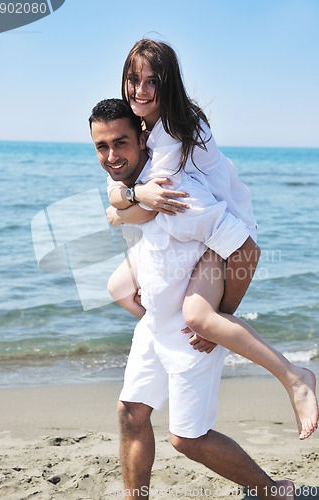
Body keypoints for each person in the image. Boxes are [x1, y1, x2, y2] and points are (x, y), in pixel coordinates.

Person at [106, 38, 318, 440]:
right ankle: (189, 334)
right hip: (200, 231)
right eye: (134, 79)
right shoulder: (145, 126)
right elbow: (128, 190)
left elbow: (152, 203)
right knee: (119, 286)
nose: (140, 90)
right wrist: (125, 199)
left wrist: (121, 207)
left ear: (169, 85)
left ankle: (294, 377)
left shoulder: (173, 126)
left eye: (153, 81)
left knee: (201, 318)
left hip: (226, 232)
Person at [89, 98, 295, 499]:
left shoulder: (178, 193)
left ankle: (273, 491)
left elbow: (247, 252)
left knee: (188, 439)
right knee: (131, 413)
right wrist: (127, 202)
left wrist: (218, 322)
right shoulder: (128, 184)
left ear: (144, 139)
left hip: (191, 331)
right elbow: (122, 207)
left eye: (121, 143)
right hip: (154, 325)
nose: (111, 156)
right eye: (101, 146)